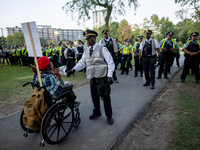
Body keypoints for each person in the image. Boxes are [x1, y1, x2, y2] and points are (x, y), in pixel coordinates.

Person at [67, 30, 115, 124]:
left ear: (94, 38)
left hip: (102, 77)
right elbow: (82, 63)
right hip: (92, 78)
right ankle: (97, 112)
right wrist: (73, 69)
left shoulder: (102, 48)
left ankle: (109, 116)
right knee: (94, 97)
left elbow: (110, 61)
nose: (88, 41)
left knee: (105, 97)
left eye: (89, 38)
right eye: (87, 39)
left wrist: (109, 75)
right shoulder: (86, 51)